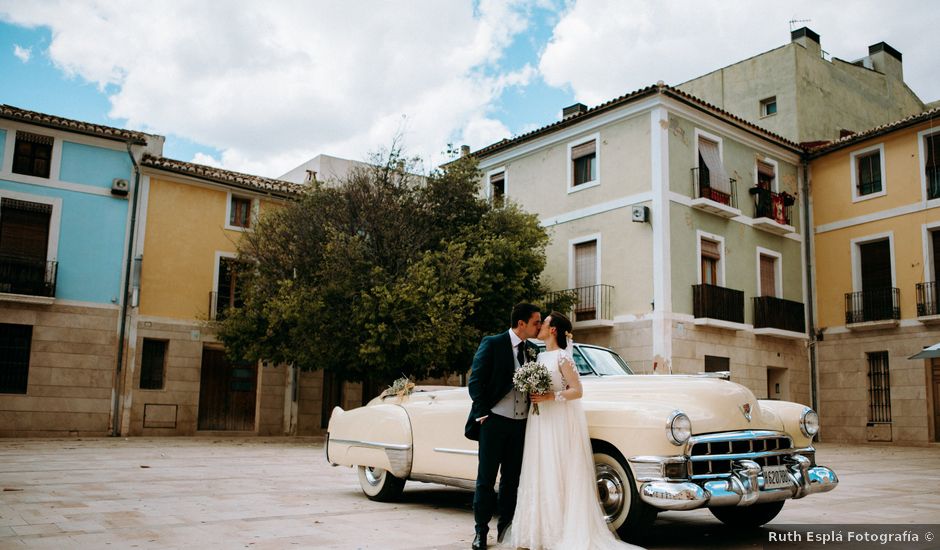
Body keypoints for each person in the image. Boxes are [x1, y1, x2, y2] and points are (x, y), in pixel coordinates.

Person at [509, 312, 645, 550]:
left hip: (557, 419)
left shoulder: (563, 358)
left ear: (553, 330)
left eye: (545, 323)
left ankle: (559, 531)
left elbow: (577, 390)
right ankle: (538, 531)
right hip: (540, 420)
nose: (540, 326)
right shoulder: (540, 355)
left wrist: (552, 396)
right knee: (540, 468)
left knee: (557, 468)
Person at [465, 303, 543, 550]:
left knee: (512, 481)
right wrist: (482, 415)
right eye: (536, 322)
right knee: (485, 480)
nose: (539, 326)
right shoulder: (493, 343)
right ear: (521, 323)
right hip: (494, 422)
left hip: (521, 425)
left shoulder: (532, 350)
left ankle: (506, 530)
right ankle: (480, 532)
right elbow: (475, 382)